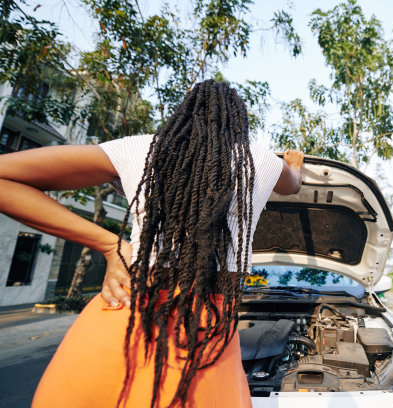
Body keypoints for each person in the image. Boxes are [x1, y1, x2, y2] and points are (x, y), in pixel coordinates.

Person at [0, 80, 304, 407]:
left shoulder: (143, 149)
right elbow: (294, 185)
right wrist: (295, 162)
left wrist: (106, 243)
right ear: (238, 120)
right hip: (205, 334)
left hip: (124, 314)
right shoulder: (259, 160)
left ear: (183, 114)